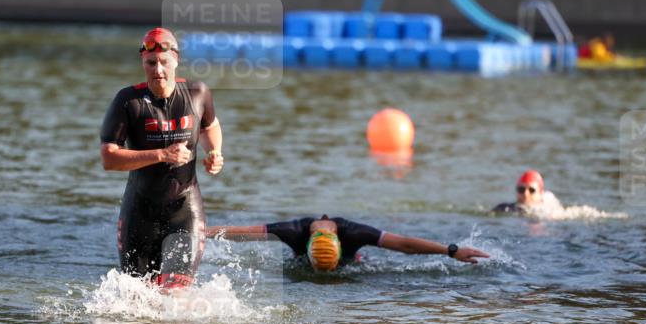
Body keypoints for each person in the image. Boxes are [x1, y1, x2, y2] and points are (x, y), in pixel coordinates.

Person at [100, 27, 224, 289]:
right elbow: (109, 158)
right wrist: (162, 154)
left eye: (164, 62)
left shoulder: (197, 92)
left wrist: (214, 152)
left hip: (184, 210)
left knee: (175, 294)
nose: (158, 70)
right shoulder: (128, 101)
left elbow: (210, 126)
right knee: (137, 299)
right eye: (151, 63)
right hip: (139, 212)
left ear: (176, 60)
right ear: (142, 63)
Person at [206, 215, 488, 272]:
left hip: (354, 264)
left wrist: (452, 250)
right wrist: (200, 232)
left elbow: (405, 245)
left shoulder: (354, 233)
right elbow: (239, 233)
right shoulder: (293, 231)